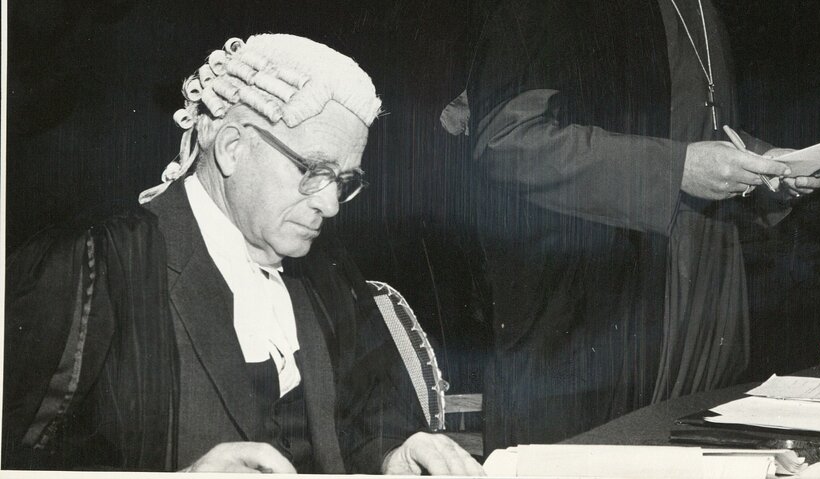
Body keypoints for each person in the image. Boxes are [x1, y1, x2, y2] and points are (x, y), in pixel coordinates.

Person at [465, 0, 820, 450]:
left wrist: (760, 171)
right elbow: (507, 142)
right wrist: (676, 171)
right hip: (606, 328)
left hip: (707, 303)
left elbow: (693, 125)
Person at [3, 34, 483, 475]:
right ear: (232, 147)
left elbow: (359, 426)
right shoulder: (97, 264)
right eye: (314, 170)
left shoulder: (324, 272)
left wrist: (392, 456)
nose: (331, 203)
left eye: (344, 181)